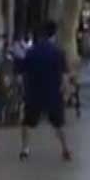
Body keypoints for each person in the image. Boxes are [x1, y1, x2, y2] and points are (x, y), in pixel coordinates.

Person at [18, 21, 72, 162]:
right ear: (54, 34)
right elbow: (65, 76)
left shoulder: (31, 52)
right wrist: (65, 91)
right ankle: (65, 149)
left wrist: (24, 89)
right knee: (58, 123)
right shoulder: (58, 52)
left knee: (27, 122)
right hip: (53, 92)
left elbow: (22, 72)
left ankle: (25, 149)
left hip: (34, 91)